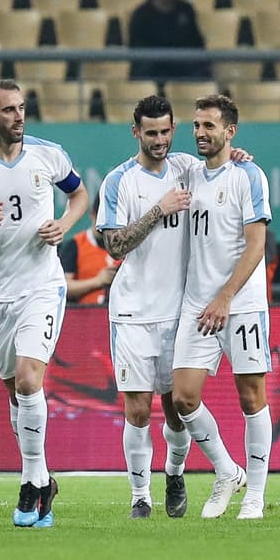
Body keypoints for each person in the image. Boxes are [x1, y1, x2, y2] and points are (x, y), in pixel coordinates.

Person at [0, 79, 89, 528]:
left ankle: (30, 485)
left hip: (42, 285)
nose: (19, 116)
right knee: (16, 391)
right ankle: (44, 478)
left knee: (28, 380)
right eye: (8, 110)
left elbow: (80, 194)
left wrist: (64, 223)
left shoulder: (49, 154)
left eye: (22, 108)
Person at [96, 96, 200, 518]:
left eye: (165, 131)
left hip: (179, 311)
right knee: (138, 408)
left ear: (174, 129)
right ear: (135, 132)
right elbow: (114, 244)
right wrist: (159, 210)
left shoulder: (188, 169)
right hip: (133, 310)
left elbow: (224, 168)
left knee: (178, 410)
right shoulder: (119, 181)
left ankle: (174, 473)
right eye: (150, 132)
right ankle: (140, 496)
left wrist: (241, 157)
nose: (159, 140)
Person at [168, 94, 272, 520]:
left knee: (252, 397)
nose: (200, 133)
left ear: (230, 132)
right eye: (196, 125)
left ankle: (255, 496)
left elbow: (256, 244)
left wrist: (226, 297)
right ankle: (227, 471)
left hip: (241, 304)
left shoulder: (249, 175)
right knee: (183, 397)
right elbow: (151, 154)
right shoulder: (189, 172)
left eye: (209, 126)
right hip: (197, 303)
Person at [127, 0, 211, 82]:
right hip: (153, 67)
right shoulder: (141, 14)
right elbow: (136, 47)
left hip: (182, 66)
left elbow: (197, 42)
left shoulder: (186, 10)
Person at [60, 192, 118, 305]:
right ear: (93, 215)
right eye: (103, 219)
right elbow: (63, 286)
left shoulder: (127, 244)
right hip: (86, 316)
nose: (106, 226)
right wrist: (98, 281)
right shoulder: (75, 245)